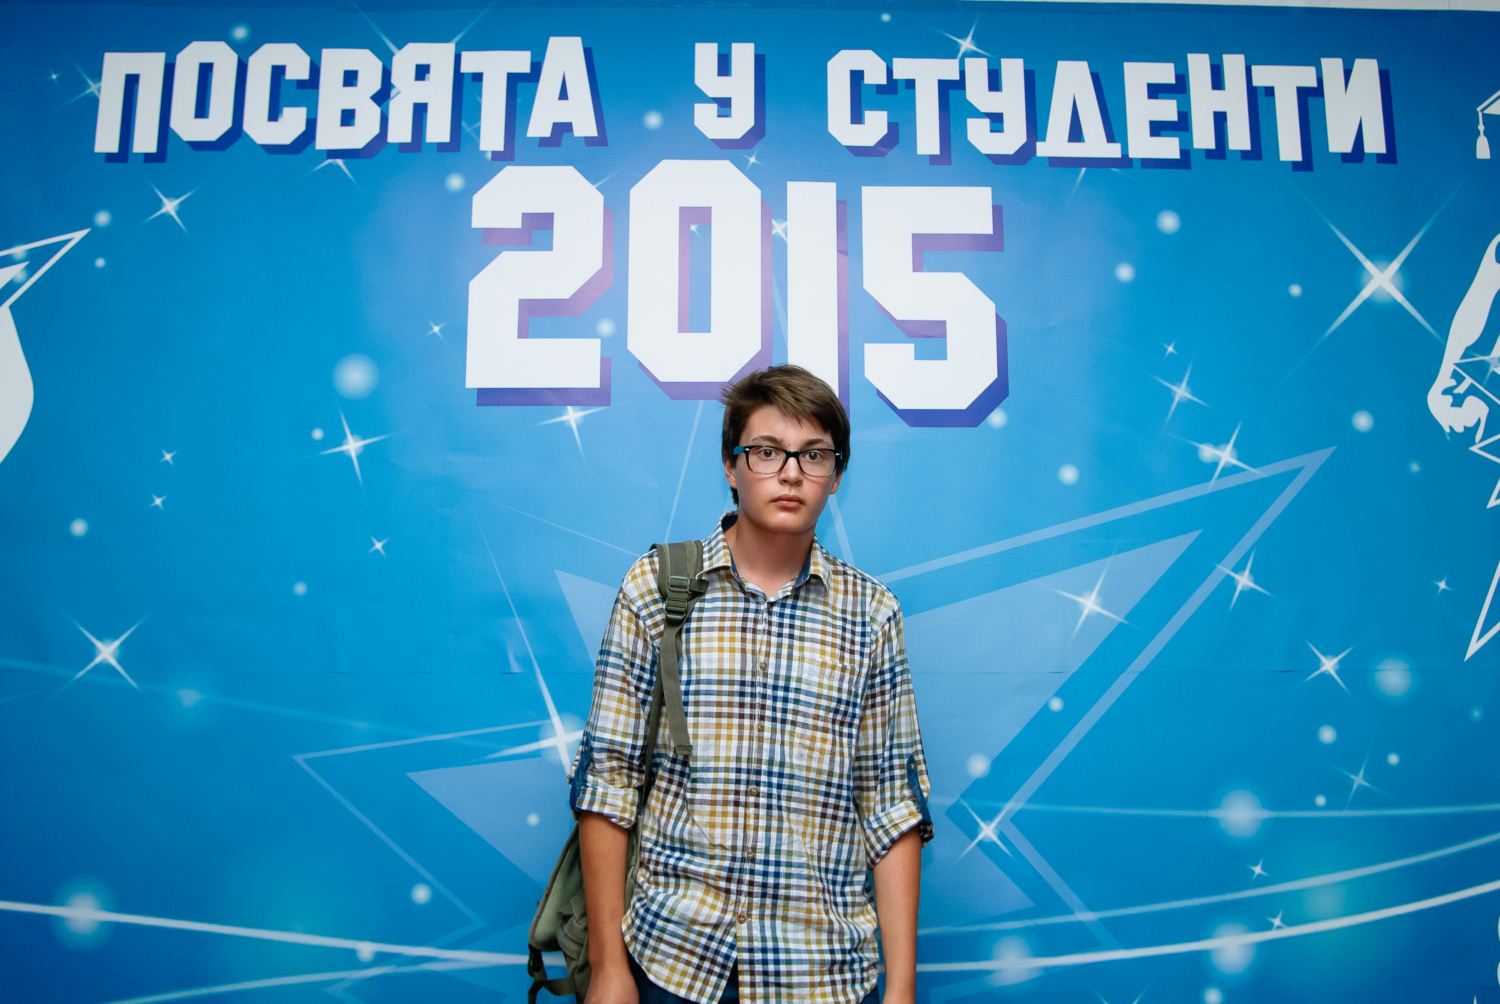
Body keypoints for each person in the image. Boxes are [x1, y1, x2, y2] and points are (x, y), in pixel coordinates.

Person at [568, 364, 934, 1004]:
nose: (790, 473)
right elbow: (609, 781)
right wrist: (608, 968)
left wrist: (900, 990)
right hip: (673, 960)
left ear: (836, 476)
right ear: (731, 465)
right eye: (766, 451)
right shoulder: (657, 587)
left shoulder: (871, 613)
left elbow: (889, 806)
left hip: (820, 971)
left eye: (814, 455)